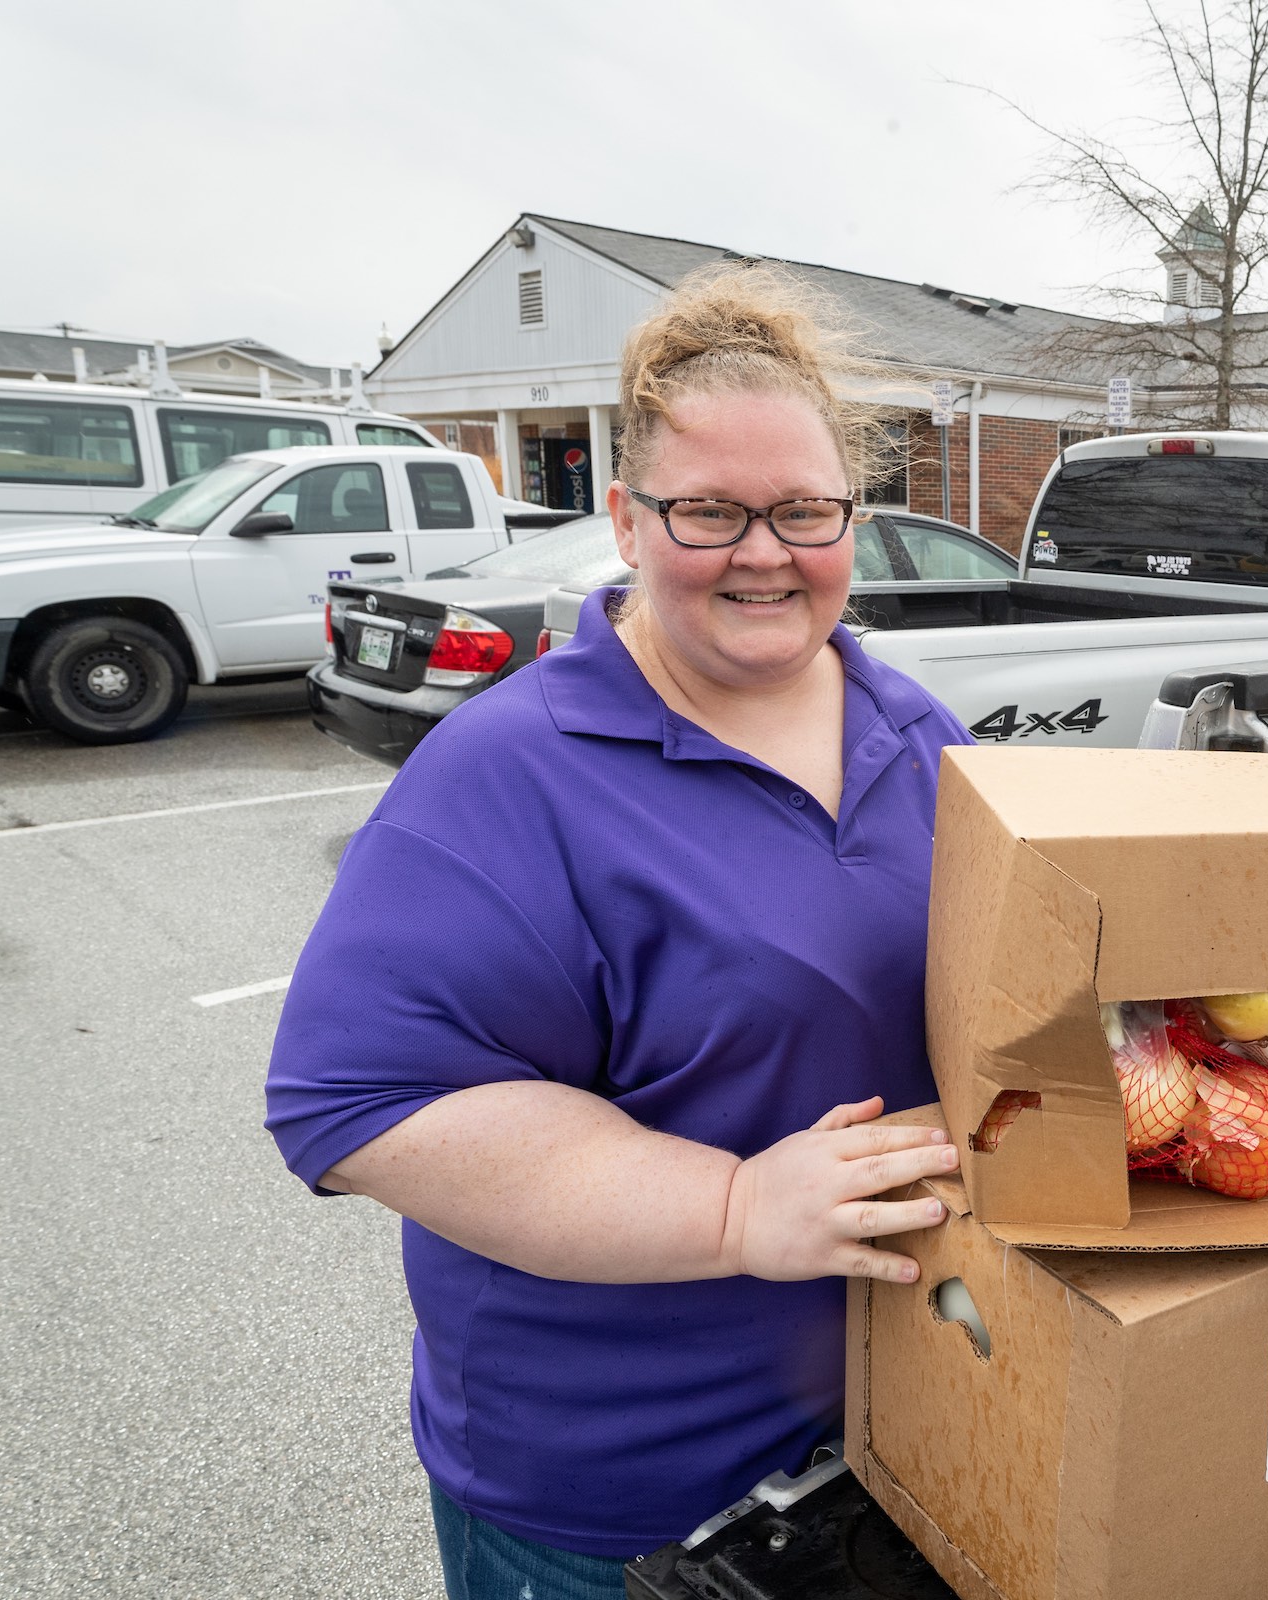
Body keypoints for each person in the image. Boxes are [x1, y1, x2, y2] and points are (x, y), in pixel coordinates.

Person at [265, 263, 970, 1600]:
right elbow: (355, 1104)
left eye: (806, 512)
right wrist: (732, 1205)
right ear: (627, 520)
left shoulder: (918, 733)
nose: (766, 552)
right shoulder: (509, 775)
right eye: (711, 511)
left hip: (894, 1433)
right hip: (614, 1501)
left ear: (852, 521)